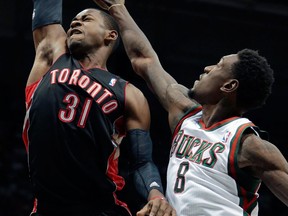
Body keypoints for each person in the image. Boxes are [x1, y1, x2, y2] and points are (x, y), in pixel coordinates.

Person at [93, 1, 288, 215]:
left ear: (229, 85)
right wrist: (118, 8)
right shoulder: (184, 113)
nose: (207, 68)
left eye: (219, 66)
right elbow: (145, 60)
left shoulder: (250, 145)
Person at [22, 0, 176, 215]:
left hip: (102, 208)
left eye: (85, 19)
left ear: (110, 35)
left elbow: (141, 161)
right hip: (47, 207)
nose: (75, 22)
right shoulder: (52, 56)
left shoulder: (128, 93)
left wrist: (155, 194)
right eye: (74, 20)